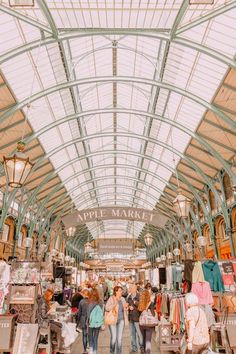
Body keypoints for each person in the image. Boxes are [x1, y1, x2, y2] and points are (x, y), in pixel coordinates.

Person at [105, 285, 128, 354]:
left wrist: (126, 307)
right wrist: (114, 305)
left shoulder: (123, 299)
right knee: (114, 338)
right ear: (116, 292)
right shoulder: (111, 298)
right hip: (113, 320)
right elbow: (106, 308)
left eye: (121, 291)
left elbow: (124, 309)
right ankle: (112, 352)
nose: (121, 292)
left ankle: (119, 352)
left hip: (121, 320)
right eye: (120, 291)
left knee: (120, 339)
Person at [126, 284, 144, 354]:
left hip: (138, 318)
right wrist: (128, 307)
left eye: (131, 288)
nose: (130, 289)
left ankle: (142, 348)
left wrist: (135, 303)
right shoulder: (129, 297)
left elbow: (142, 306)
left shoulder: (139, 296)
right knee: (132, 335)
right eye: (130, 288)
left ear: (135, 288)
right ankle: (134, 349)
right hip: (131, 318)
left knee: (140, 334)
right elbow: (127, 305)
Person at [138, 289, 156, 354]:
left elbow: (139, 313)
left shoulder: (140, 304)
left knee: (144, 338)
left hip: (142, 324)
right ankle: (147, 352)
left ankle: (143, 351)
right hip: (149, 324)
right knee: (148, 340)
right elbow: (153, 314)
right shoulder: (151, 303)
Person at [87, 287, 104, 354]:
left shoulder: (89, 302)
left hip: (91, 322)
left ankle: (91, 349)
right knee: (96, 338)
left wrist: (88, 320)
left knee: (90, 336)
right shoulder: (100, 301)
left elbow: (88, 313)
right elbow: (102, 311)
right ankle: (95, 351)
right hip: (98, 322)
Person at [77, 289, 90, 354]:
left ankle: (85, 350)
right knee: (90, 335)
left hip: (83, 319)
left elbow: (79, 313)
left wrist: (78, 322)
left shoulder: (81, 302)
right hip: (90, 319)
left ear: (84, 294)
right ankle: (89, 348)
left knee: (84, 335)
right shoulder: (91, 301)